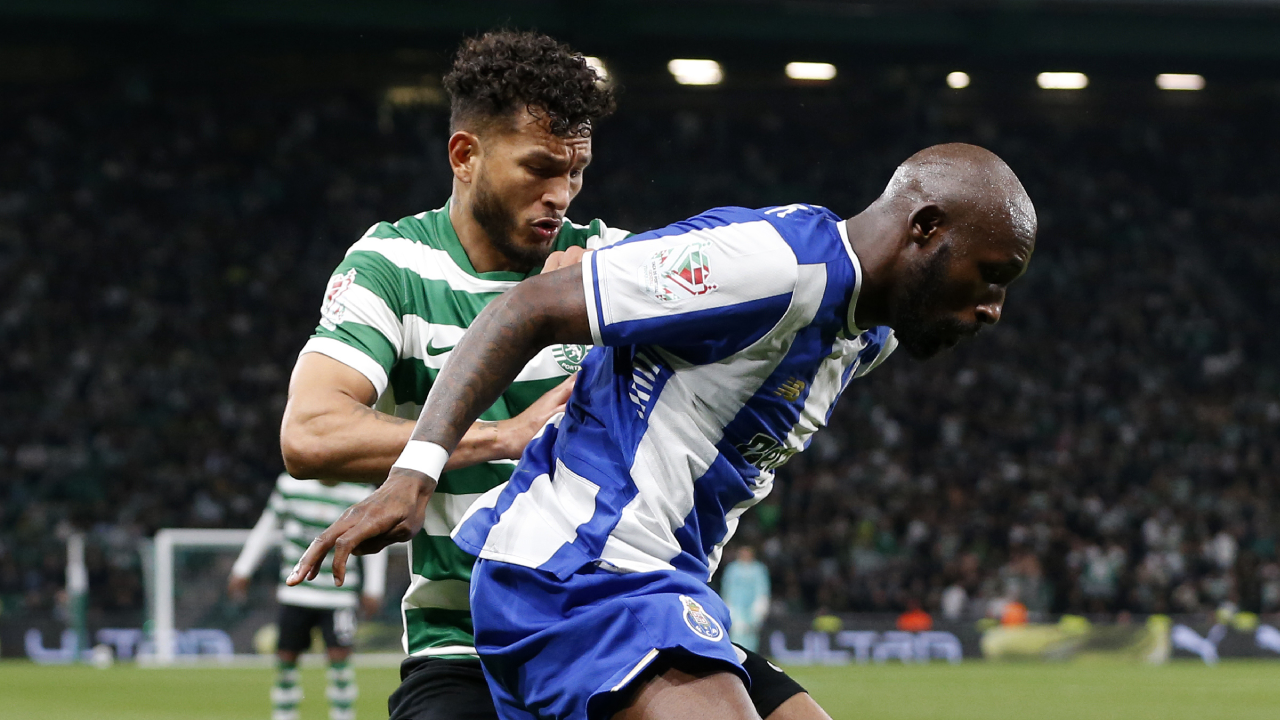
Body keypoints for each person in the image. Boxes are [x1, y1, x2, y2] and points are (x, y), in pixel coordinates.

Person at [291, 142, 1037, 719]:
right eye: (991, 275)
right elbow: (522, 308)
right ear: (926, 229)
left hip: (660, 589)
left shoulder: (869, 334)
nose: (993, 308)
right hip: (573, 578)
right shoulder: (774, 265)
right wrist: (415, 472)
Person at [278, 30, 822, 720]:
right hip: (466, 648)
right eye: (539, 168)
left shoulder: (609, 264)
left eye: (576, 171)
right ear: (465, 155)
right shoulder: (393, 268)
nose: (561, 194)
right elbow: (310, 432)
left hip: (624, 617)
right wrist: (499, 437)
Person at [229, 473, 388, 720]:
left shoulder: (360, 492)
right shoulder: (290, 485)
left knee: (340, 661)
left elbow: (373, 538)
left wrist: (374, 588)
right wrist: (243, 568)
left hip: (339, 595)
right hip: (296, 591)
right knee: (286, 659)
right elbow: (266, 527)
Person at [721, 547, 771, 652]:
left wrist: (762, 604)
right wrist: (727, 604)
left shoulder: (758, 569)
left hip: (752, 606)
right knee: (738, 631)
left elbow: (762, 588)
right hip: (736, 605)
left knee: (751, 632)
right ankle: (738, 656)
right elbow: (727, 587)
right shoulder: (732, 569)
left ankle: (750, 656)